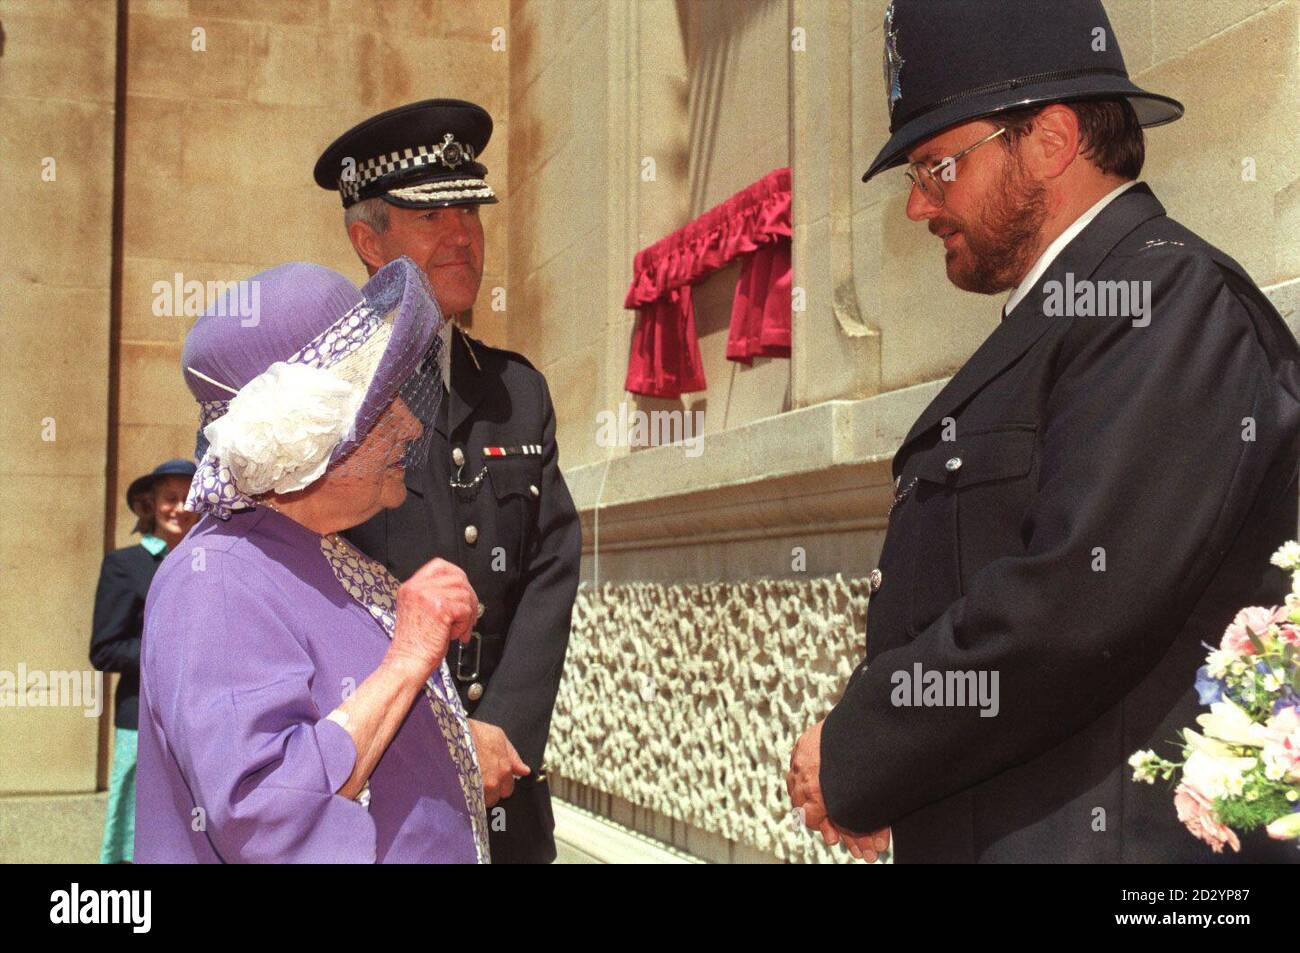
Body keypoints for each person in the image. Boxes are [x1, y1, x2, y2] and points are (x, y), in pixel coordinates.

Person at [788, 0, 1300, 863]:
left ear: (1053, 140)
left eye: (937, 167)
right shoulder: (1074, 318)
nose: (919, 207)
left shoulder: (1166, 302)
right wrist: (900, 776)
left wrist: (861, 750)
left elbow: (1070, 604)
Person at [135, 257, 490, 863]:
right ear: (304, 436)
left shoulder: (309, 553)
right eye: (379, 407)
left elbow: (337, 728)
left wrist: (453, 741)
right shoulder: (216, 581)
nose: (408, 423)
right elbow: (263, 810)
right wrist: (408, 659)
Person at [314, 98, 582, 863]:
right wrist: (444, 739)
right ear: (369, 239)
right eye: (433, 216)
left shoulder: (516, 391)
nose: (463, 235)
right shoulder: (321, 397)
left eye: (471, 209)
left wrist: (501, 727)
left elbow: (549, 571)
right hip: (377, 797)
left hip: (505, 800)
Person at [91, 458, 197, 863]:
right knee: (136, 837)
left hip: (200, 721)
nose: (181, 507)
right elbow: (105, 650)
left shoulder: (215, 559)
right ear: (150, 505)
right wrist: (174, 654)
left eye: (189, 497)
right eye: (170, 498)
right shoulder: (125, 565)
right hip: (141, 722)